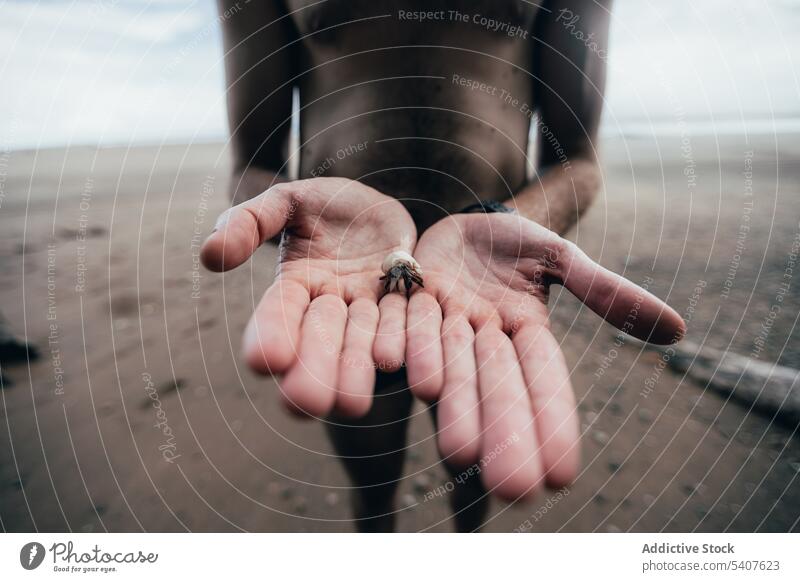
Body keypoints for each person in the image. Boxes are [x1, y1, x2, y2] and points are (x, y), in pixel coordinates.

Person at [200, 0, 685, 532]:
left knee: (474, 476)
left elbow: (578, 159)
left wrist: (503, 220)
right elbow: (254, 166)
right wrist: (299, 219)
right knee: (372, 488)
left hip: (486, 296)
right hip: (343, 291)